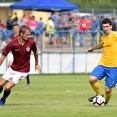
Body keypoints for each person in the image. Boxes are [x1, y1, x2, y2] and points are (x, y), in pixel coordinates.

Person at [0, 25, 41, 106]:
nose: (29, 36)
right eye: (27, 34)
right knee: (0, 84)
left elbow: (35, 52)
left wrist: (36, 64)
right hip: (12, 68)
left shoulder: (31, 42)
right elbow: (3, 56)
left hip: (23, 71)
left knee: (7, 87)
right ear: (21, 34)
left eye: (29, 34)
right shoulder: (12, 44)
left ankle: (3, 99)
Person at [88, 18, 117, 105]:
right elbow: (100, 45)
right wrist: (92, 48)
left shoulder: (115, 35)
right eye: (103, 27)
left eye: (107, 26)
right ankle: (99, 95)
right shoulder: (103, 37)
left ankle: (106, 101)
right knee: (92, 79)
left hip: (114, 67)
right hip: (103, 64)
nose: (105, 28)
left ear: (111, 26)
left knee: (108, 90)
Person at [8, 23, 31, 88]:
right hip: (13, 53)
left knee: (24, 68)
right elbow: (10, 44)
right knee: (9, 65)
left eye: (17, 28)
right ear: (13, 29)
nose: (15, 29)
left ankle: (28, 81)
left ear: (19, 29)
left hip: (21, 54)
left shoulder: (21, 36)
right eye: (14, 28)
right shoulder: (11, 36)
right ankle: (12, 79)